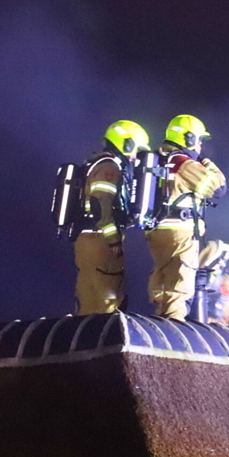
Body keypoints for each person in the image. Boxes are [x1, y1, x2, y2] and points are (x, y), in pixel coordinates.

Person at [146, 115, 226, 320]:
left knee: (163, 283)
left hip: (156, 231)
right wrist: (206, 161)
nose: (200, 145)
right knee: (179, 287)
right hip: (180, 233)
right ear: (188, 139)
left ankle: (159, 321)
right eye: (198, 140)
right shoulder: (183, 163)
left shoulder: (159, 159)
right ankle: (173, 330)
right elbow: (218, 188)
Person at [73, 120, 150, 314]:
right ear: (126, 143)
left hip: (86, 239)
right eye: (135, 150)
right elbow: (102, 205)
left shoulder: (96, 162)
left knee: (89, 301)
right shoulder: (109, 167)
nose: (134, 157)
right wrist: (113, 239)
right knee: (110, 299)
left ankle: (88, 339)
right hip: (100, 241)